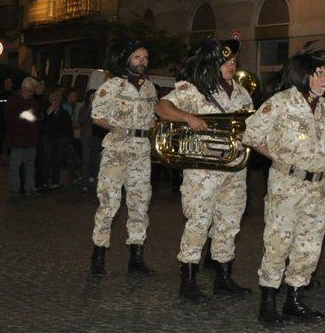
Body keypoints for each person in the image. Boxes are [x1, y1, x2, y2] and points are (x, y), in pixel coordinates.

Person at [154, 39, 258, 302]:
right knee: (199, 222)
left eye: (234, 61)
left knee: (229, 223)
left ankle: (223, 277)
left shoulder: (242, 93)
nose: (231, 65)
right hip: (203, 171)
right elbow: (162, 107)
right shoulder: (195, 89)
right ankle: (188, 278)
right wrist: (189, 118)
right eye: (226, 62)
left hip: (235, 169)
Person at [241, 44, 325, 320]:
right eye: (318, 74)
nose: (324, 80)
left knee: (310, 244)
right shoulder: (282, 102)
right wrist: (280, 156)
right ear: (302, 75)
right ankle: (268, 301)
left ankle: (294, 298)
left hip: (318, 187)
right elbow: (251, 134)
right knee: (278, 242)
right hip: (287, 184)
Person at [90, 39, 159, 278]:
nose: (142, 62)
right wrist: (121, 129)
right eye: (137, 57)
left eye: (145, 58)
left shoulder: (150, 88)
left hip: (141, 151)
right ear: (126, 60)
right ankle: (98, 254)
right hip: (117, 150)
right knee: (109, 202)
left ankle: (136, 258)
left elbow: (151, 116)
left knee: (140, 203)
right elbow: (97, 117)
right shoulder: (111, 87)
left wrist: (150, 125)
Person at [3, 77, 41, 196]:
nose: (32, 92)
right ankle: (15, 188)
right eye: (31, 90)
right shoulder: (13, 100)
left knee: (29, 164)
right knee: (16, 164)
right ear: (25, 88)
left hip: (30, 138)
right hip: (17, 138)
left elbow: (33, 117)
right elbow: (11, 118)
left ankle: (29, 187)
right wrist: (26, 117)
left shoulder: (33, 101)